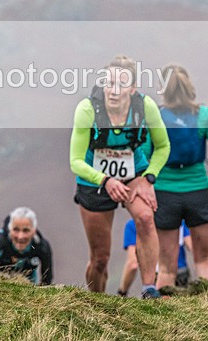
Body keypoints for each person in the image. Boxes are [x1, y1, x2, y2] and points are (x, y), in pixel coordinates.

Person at [69, 56, 171, 299]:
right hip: (95, 179)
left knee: (145, 218)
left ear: (132, 88)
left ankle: (149, 289)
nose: (114, 91)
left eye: (121, 84)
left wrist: (149, 178)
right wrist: (105, 180)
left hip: (134, 174)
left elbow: (163, 146)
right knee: (100, 258)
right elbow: (76, 161)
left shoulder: (145, 107)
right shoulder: (88, 109)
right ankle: (96, 300)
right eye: (109, 83)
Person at [150, 64, 208, 289]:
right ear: (189, 86)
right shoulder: (204, 115)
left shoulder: (155, 116)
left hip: (163, 195)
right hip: (198, 192)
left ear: (163, 89)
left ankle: (163, 309)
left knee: (166, 268)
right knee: (204, 260)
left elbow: (144, 156)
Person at [118, 219, 191, 296]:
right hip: (181, 273)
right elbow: (193, 247)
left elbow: (132, 264)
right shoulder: (177, 219)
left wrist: (122, 292)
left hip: (156, 277)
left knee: (160, 301)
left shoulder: (134, 225)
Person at [0, 207, 53, 285]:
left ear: (34, 231)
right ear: (10, 229)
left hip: (28, 279)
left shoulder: (41, 246)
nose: (20, 236)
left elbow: (47, 279)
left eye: (26, 230)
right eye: (16, 230)